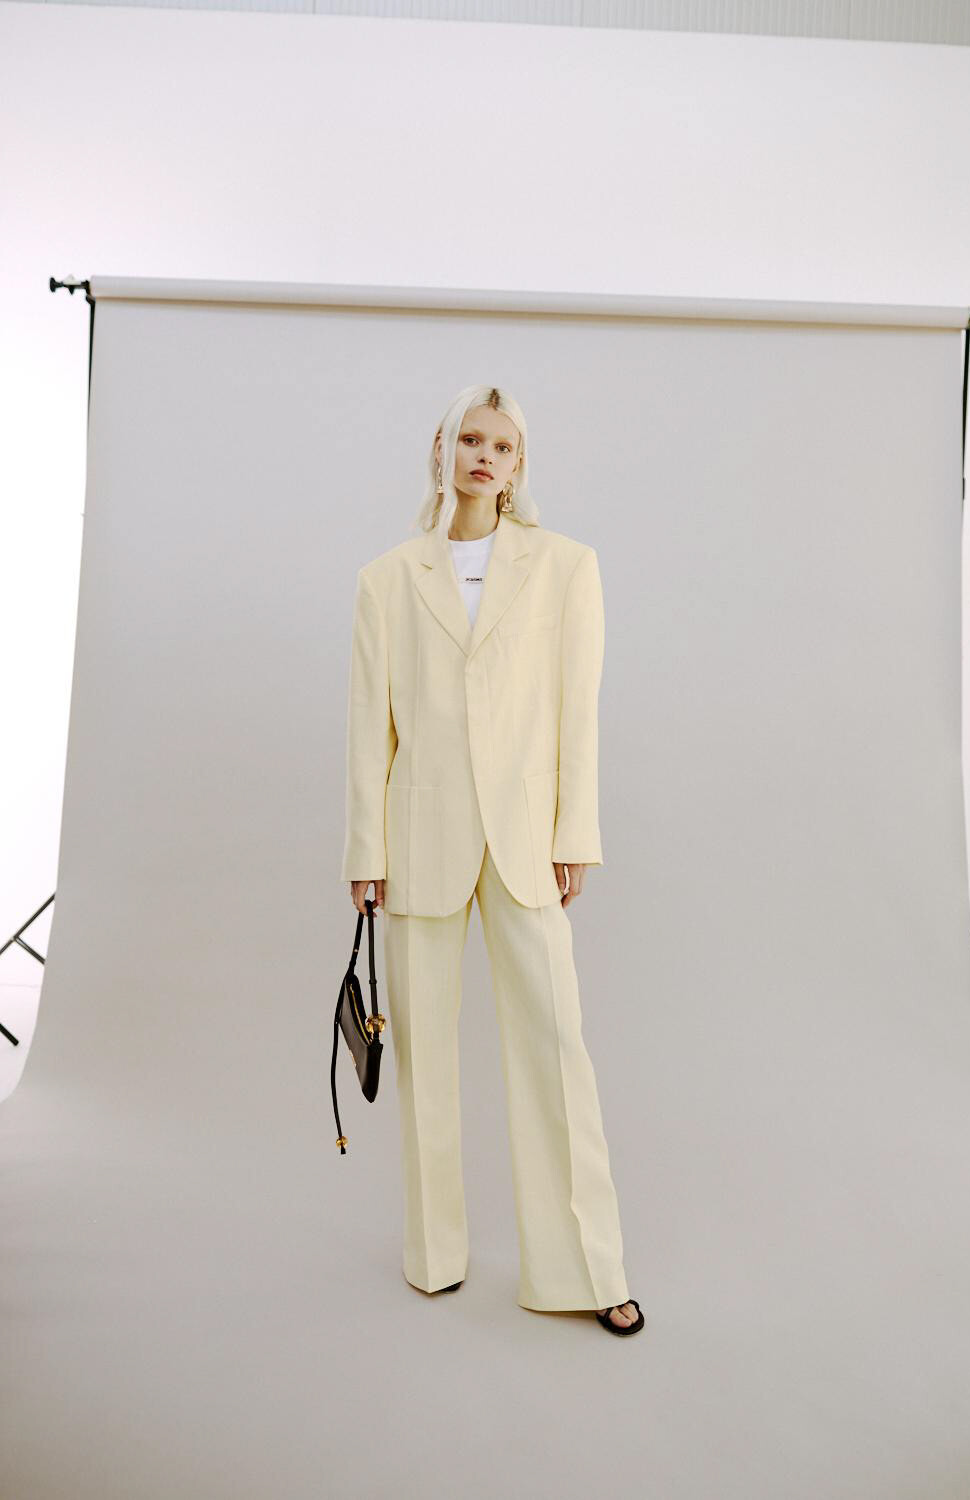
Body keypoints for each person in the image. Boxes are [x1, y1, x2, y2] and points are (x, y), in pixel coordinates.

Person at [340, 383, 643, 1336]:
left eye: (502, 446)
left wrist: (574, 833)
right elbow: (370, 730)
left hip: (524, 842)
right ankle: (435, 1255)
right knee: (425, 1058)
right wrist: (365, 848)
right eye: (470, 439)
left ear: (519, 465)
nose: (484, 457)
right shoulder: (388, 579)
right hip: (418, 837)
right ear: (441, 451)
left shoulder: (566, 567)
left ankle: (586, 1270)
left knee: (556, 1051)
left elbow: (577, 711)